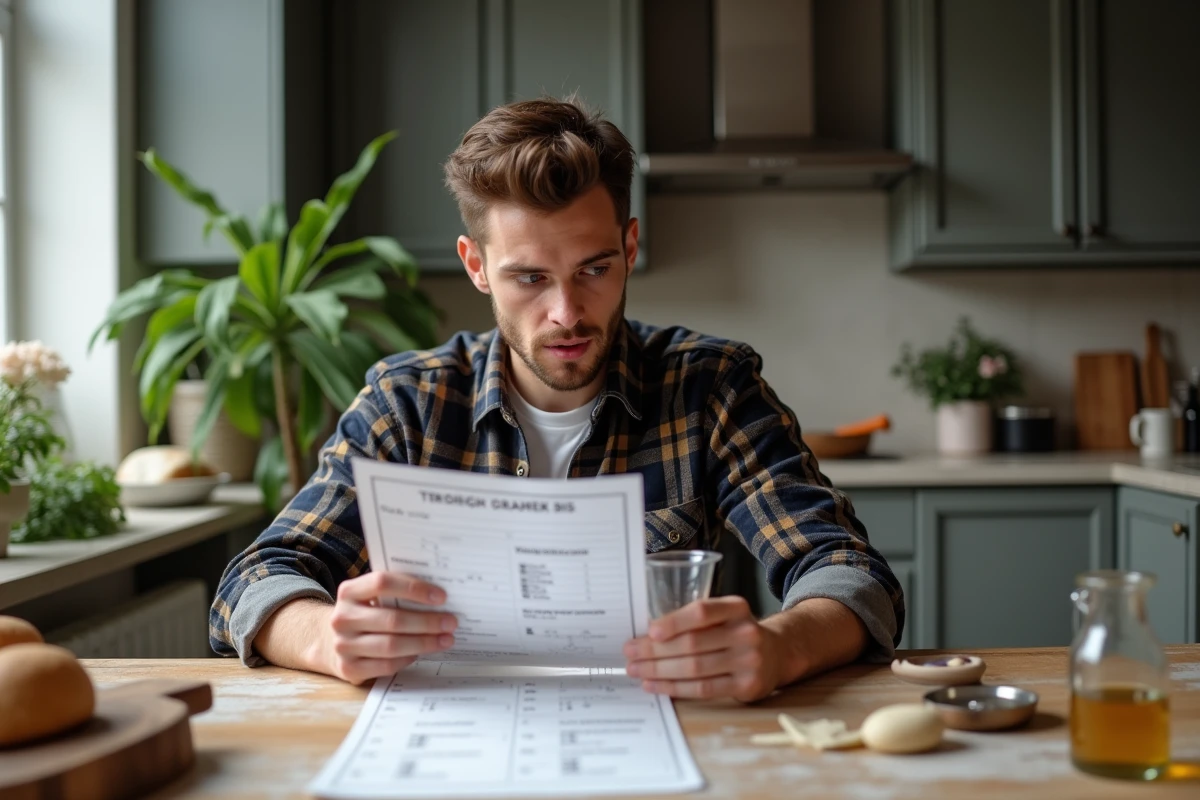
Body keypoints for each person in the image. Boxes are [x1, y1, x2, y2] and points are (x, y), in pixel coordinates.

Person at [210, 97, 904, 702]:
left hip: (667, 734)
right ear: (476, 266)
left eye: (594, 269)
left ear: (630, 247)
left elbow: (850, 573)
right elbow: (256, 579)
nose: (566, 313)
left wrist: (781, 647)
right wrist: (325, 637)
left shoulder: (710, 387)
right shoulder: (407, 404)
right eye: (530, 278)